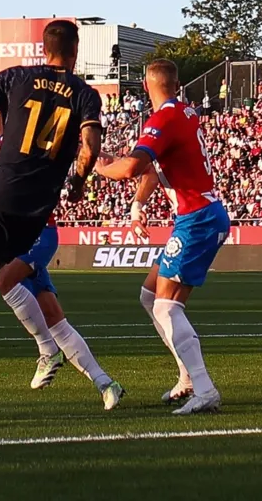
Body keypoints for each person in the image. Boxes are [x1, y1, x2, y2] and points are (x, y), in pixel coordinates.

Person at [0, 20, 117, 414]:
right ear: (75, 51)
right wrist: (78, 181)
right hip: (38, 210)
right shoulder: (85, 94)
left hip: (1, 193)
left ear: (44, 49)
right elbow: (91, 143)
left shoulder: (17, 76)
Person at [91, 58, 231, 415]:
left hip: (197, 217)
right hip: (201, 214)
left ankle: (204, 388)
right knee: (150, 294)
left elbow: (134, 167)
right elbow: (152, 170)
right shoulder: (183, 112)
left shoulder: (164, 117)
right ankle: (187, 377)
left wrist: (99, 166)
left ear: (145, 85)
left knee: (167, 306)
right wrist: (138, 205)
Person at [0, 222, 120, 399]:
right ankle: (105, 384)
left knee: (3, 281)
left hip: (36, 233)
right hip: (14, 240)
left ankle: (47, 349)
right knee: (55, 320)